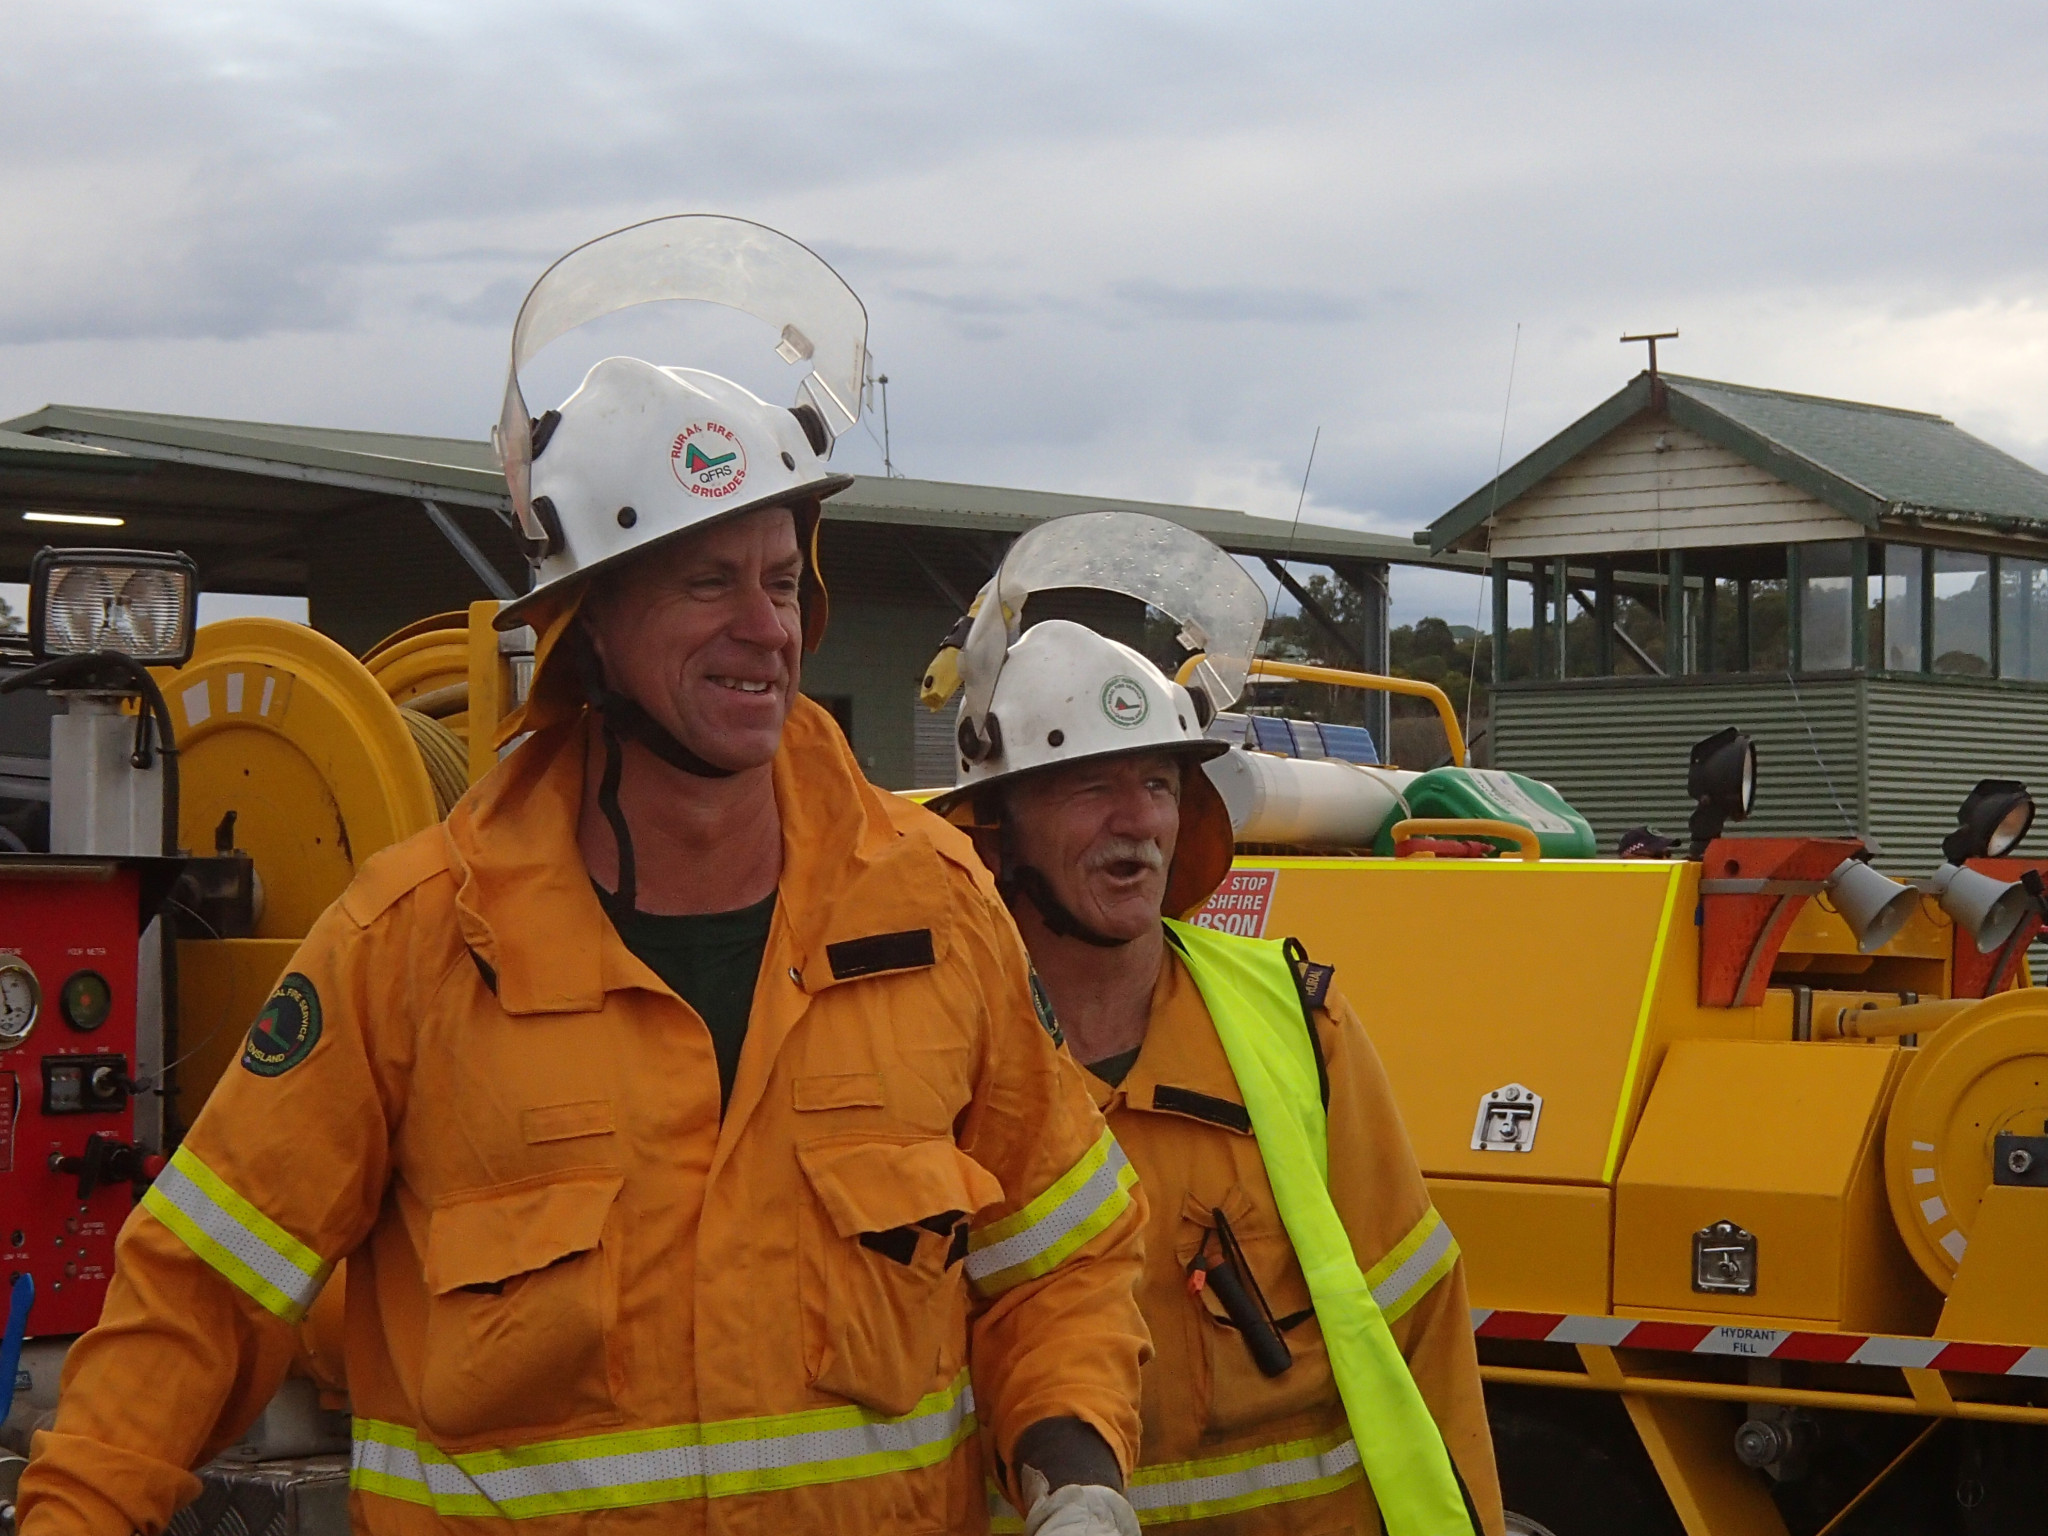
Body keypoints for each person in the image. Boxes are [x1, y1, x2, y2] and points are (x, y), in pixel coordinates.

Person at [19, 218, 1148, 1536]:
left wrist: (1076, 1474)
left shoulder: (935, 908)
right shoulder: (414, 946)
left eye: (783, 582)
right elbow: (198, 1300)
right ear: (592, 624)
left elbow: (1059, 1261)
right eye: (707, 583)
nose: (764, 629)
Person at [927, 512, 1504, 1536]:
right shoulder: (930, 1047)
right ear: (997, 827)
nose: (1137, 821)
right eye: (1088, 786)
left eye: (1155, 783)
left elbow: (1419, 1329)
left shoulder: (1296, 1025)